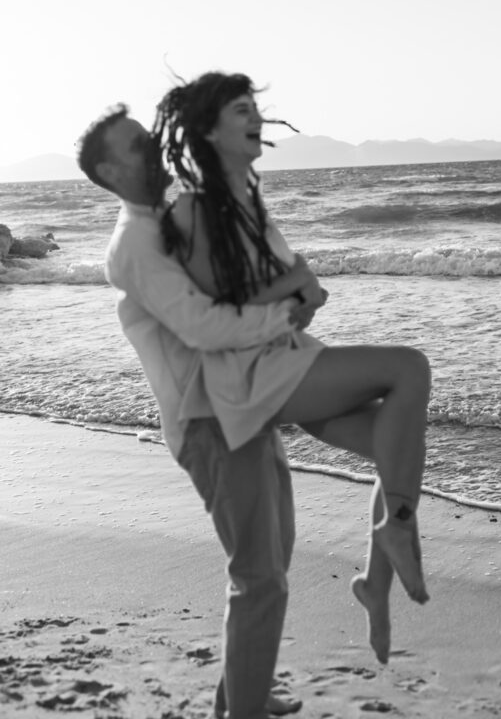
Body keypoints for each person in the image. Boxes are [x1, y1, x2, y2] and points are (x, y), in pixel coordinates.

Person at [151, 71, 432, 607]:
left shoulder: (246, 204)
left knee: (396, 443)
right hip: (247, 376)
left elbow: (275, 299)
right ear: (209, 131)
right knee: (408, 369)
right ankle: (396, 528)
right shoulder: (194, 208)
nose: (256, 119)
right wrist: (295, 286)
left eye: (255, 108)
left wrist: (301, 298)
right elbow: (212, 310)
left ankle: (375, 585)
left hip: (286, 356)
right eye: (240, 111)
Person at [77, 105, 307, 719]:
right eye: (136, 146)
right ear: (107, 169)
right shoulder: (136, 243)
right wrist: (285, 314)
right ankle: (242, 708)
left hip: (238, 403)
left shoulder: (174, 218)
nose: (153, 148)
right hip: (208, 424)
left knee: (274, 557)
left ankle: (240, 691)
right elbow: (202, 326)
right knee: (259, 576)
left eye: (151, 138)